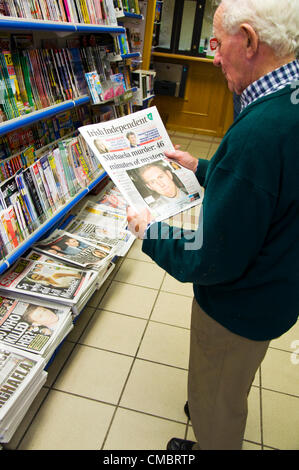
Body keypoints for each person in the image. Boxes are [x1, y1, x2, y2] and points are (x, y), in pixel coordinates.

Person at [127, 0, 299, 450]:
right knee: (231, 383)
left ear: (250, 40)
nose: (215, 56)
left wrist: (149, 229)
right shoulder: (290, 101)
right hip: (276, 291)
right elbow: (271, 190)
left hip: (238, 309)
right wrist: (206, 168)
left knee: (217, 403)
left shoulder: (260, 130)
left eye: (218, 44)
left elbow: (210, 258)